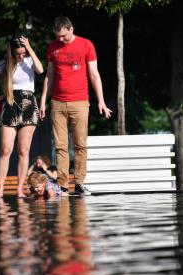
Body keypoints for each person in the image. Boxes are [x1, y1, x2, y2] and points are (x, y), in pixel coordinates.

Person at [40, 16, 112, 196]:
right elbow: (49, 77)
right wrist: (42, 101)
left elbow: (94, 75)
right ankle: (63, 185)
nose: (60, 40)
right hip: (57, 103)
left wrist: (101, 101)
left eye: (63, 36)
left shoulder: (86, 45)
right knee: (60, 146)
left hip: (80, 102)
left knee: (80, 144)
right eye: (57, 37)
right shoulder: (52, 47)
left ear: (71, 29)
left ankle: (79, 182)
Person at [0, 34, 44, 198]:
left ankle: (19, 189)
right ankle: (0, 189)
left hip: (28, 104)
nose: (21, 56)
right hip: (9, 103)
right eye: (18, 54)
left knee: (23, 150)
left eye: (23, 53)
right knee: (5, 149)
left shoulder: (30, 60)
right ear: (11, 52)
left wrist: (29, 48)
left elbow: (41, 70)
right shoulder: (5, 64)